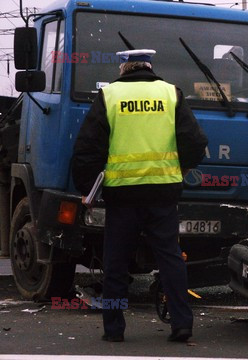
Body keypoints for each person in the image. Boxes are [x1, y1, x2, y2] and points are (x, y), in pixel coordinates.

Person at [72, 48, 208, 343]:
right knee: (170, 258)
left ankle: (114, 329)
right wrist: (179, 169)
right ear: (149, 65)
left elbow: (88, 148)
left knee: (116, 264)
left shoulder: (109, 96)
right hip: (163, 193)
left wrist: (87, 188)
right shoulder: (171, 94)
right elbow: (196, 142)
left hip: (122, 195)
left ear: (123, 68)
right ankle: (182, 324)